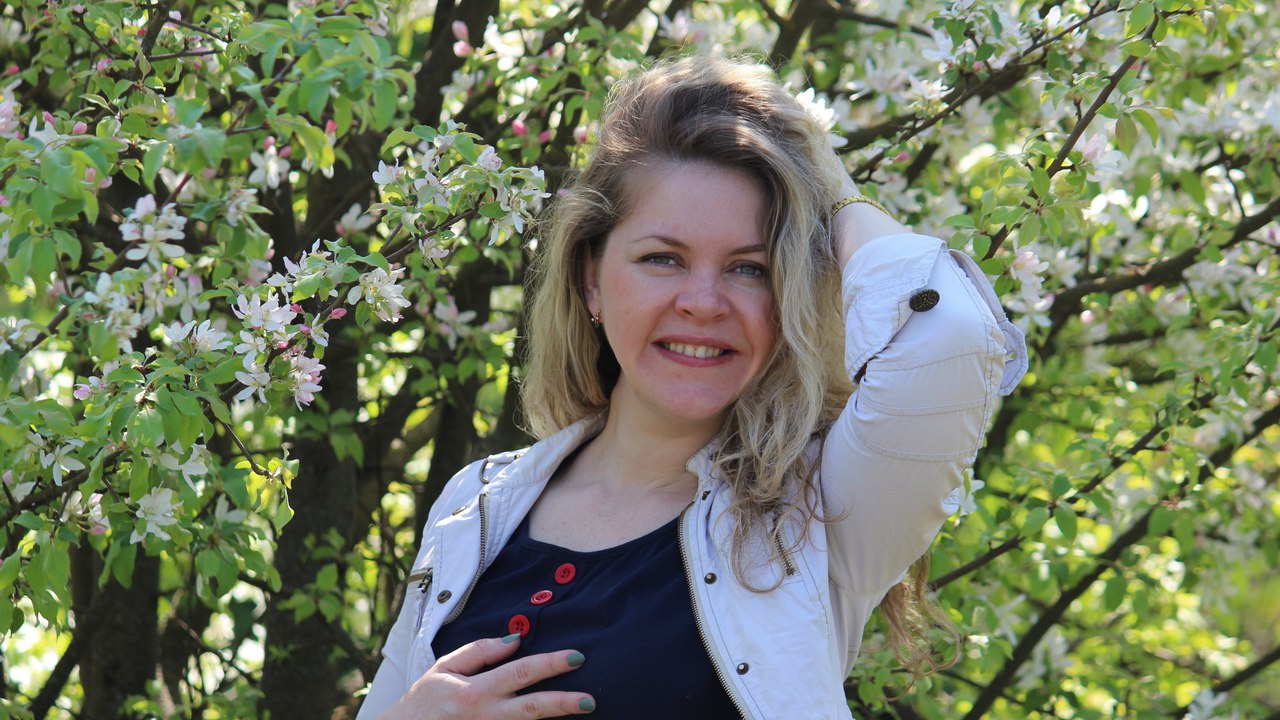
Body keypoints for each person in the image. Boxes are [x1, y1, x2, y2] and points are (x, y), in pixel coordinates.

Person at [357, 55, 1027, 720]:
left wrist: (828, 183)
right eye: (662, 259)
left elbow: (952, 337)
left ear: (790, 294)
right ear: (591, 279)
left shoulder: (823, 510)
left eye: (750, 269)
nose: (703, 303)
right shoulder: (475, 505)